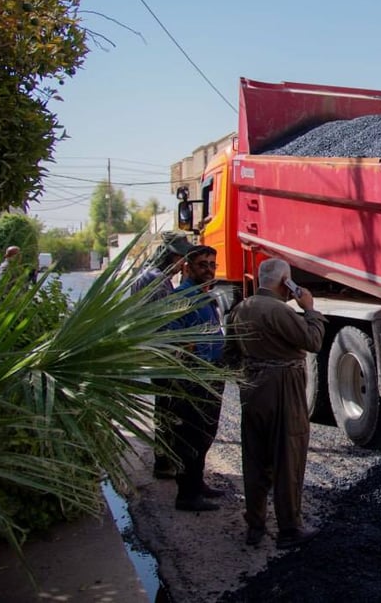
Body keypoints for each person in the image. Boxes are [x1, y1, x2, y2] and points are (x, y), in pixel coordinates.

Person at [225, 258, 325, 548]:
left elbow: (229, 354)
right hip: (283, 386)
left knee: (255, 458)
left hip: (251, 388)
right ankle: (289, 529)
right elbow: (313, 341)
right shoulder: (279, 311)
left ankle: (255, 525)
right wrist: (310, 309)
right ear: (285, 282)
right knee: (288, 456)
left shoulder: (240, 309)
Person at [131, 233, 195, 479]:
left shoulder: (147, 276)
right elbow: (168, 321)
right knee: (168, 410)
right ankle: (164, 461)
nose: (183, 264)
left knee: (165, 408)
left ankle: (165, 459)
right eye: (181, 258)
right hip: (163, 352)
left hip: (155, 350)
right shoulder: (157, 281)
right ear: (171, 256)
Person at [169, 245, 227, 512]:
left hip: (211, 375)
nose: (209, 270)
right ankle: (187, 494)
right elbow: (172, 338)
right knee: (190, 435)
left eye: (212, 265)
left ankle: (197, 483)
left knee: (205, 433)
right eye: (203, 264)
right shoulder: (181, 298)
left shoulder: (205, 296)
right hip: (194, 379)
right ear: (187, 267)